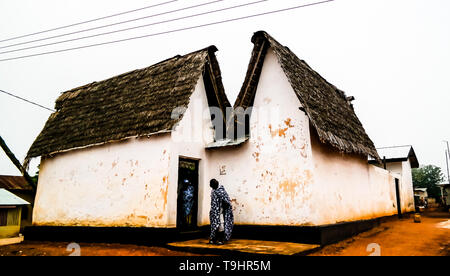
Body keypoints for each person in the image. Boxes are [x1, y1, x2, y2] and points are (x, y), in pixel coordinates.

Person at [209, 179, 234, 245]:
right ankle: (213, 239)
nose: (212, 187)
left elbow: (227, 201)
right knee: (214, 225)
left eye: (212, 186)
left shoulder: (221, 191)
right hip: (214, 212)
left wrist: (221, 208)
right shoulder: (213, 191)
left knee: (221, 225)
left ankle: (221, 239)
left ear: (216, 185)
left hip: (220, 211)